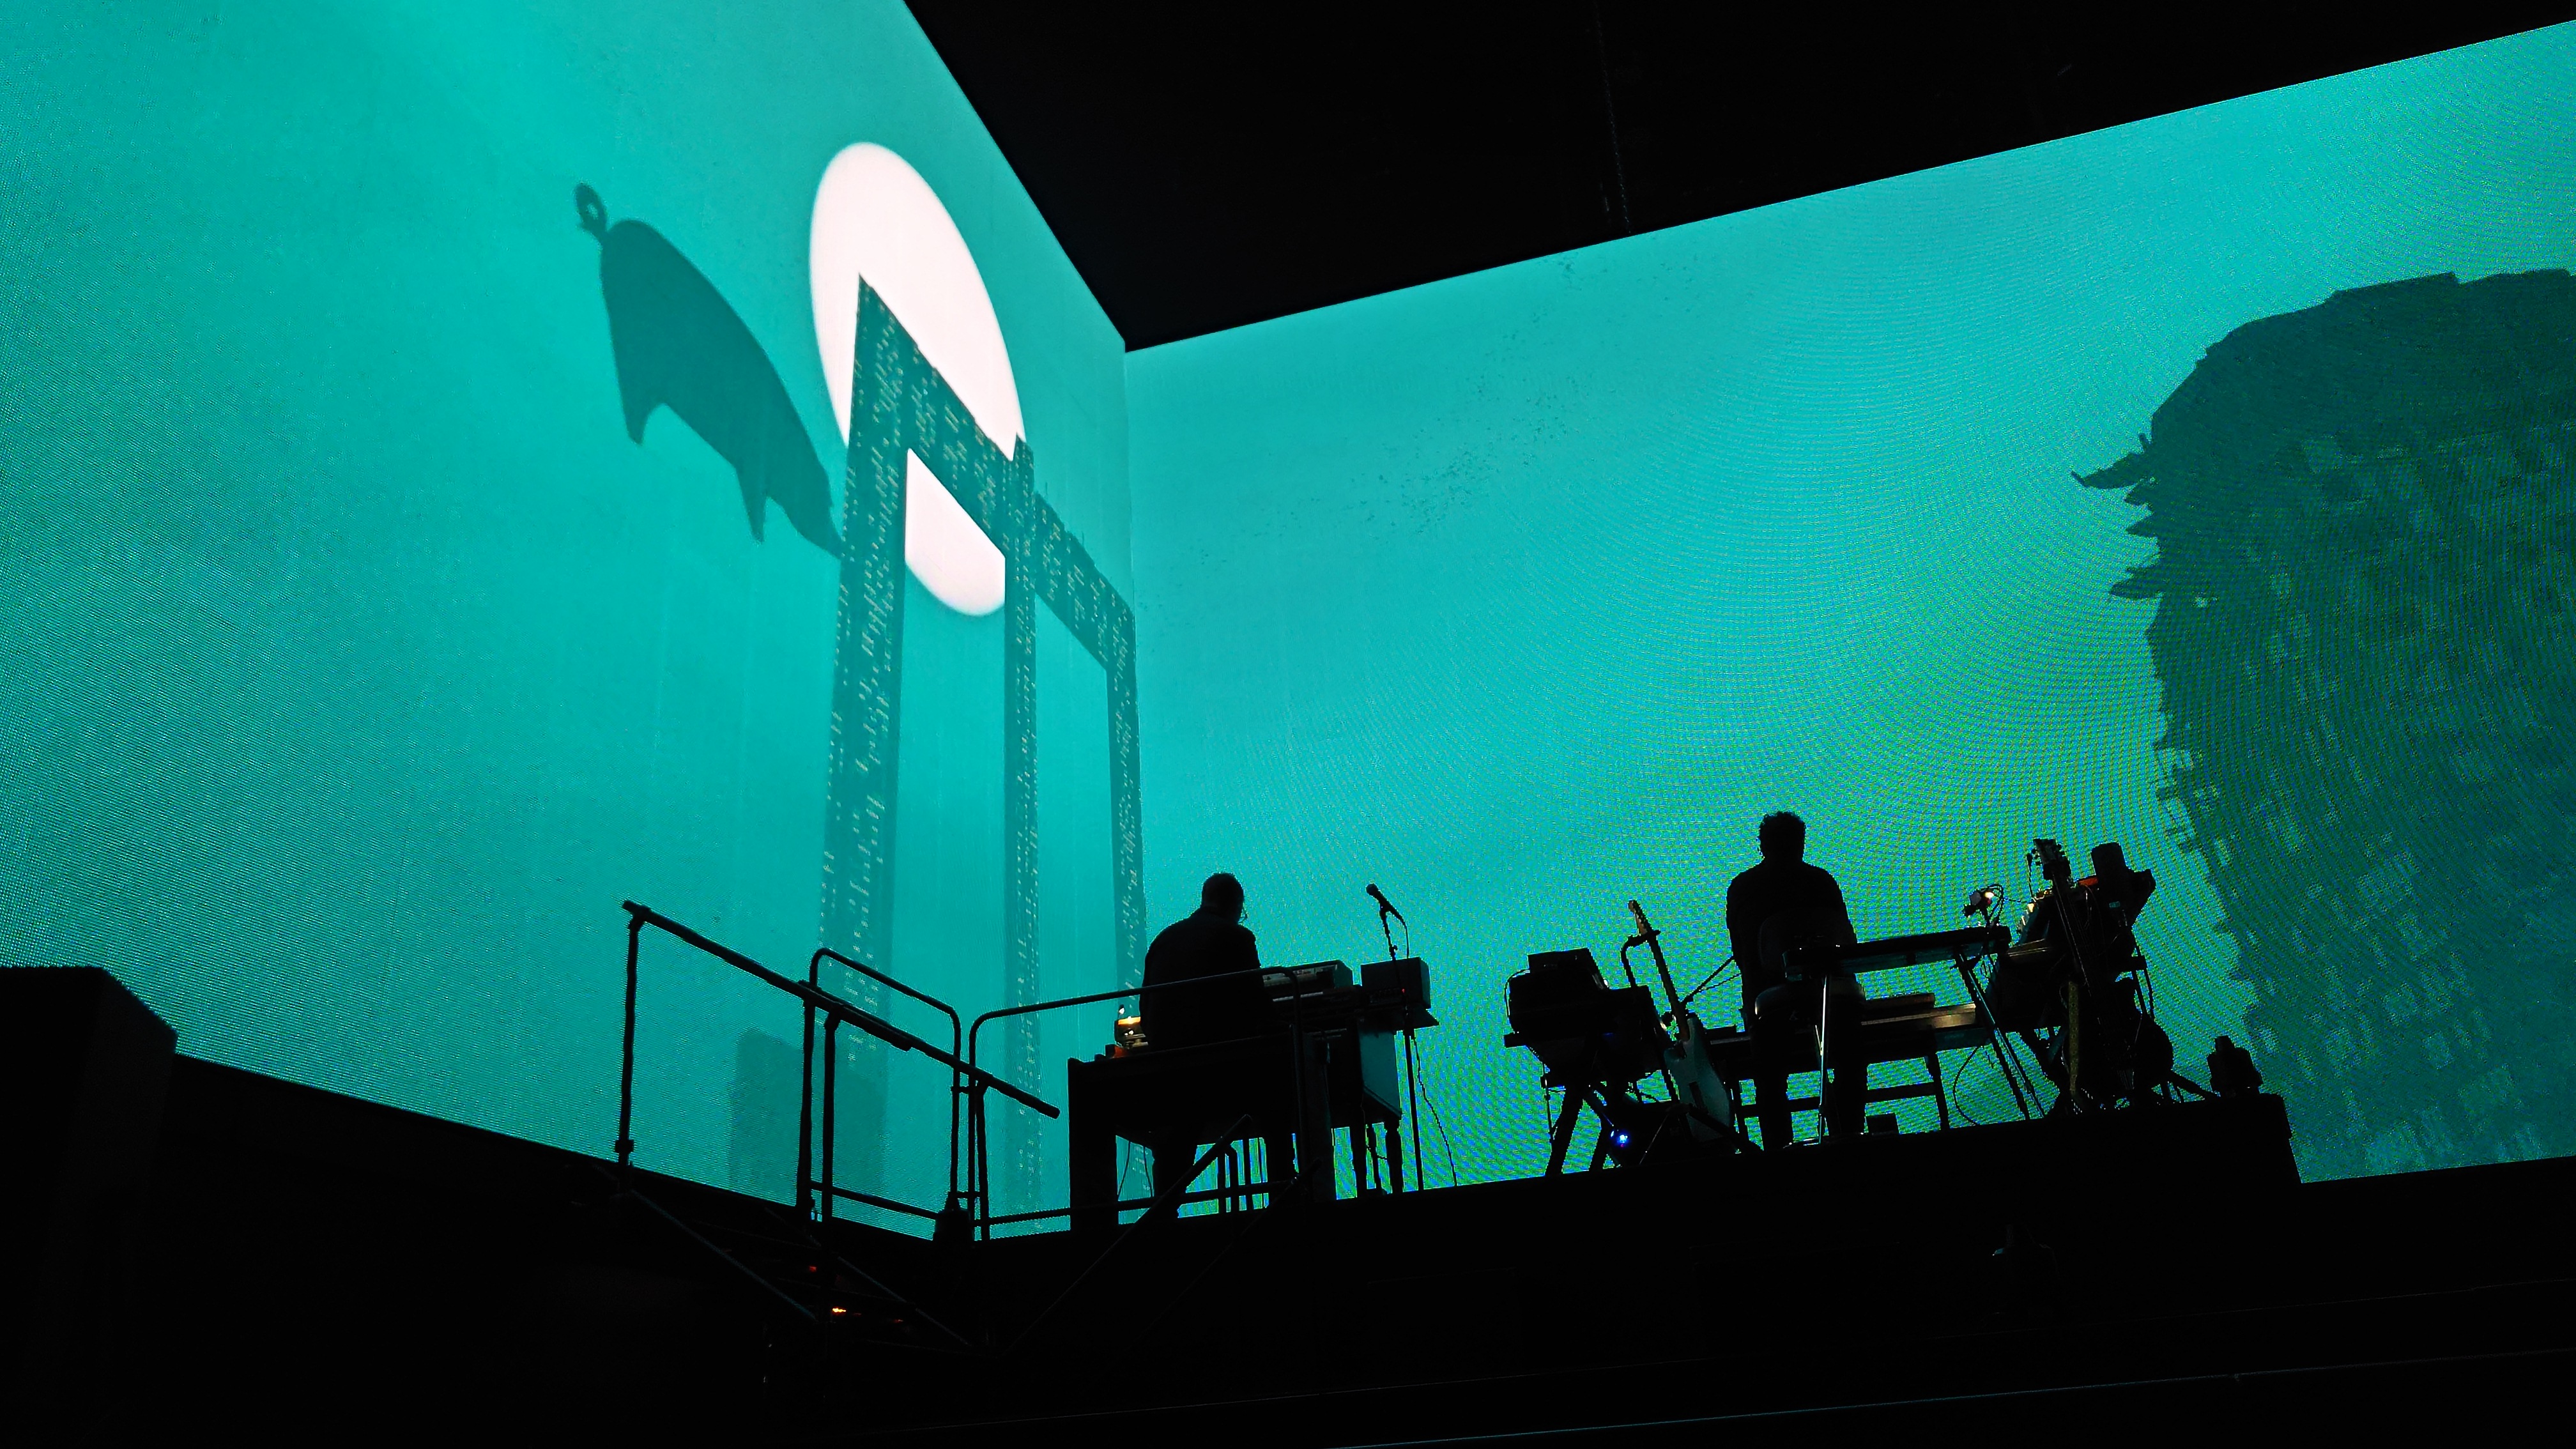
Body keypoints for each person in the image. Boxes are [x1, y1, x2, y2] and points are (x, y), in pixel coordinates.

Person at [1137, 873, 1282, 1197]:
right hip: (1219, 1072)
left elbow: (1147, 1008)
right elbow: (1256, 1005)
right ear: (1236, 906)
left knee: (1179, 1133)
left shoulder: (1163, 940)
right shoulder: (1237, 937)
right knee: (1283, 1088)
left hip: (1170, 1073)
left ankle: (1166, 1206)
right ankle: (1283, 1188)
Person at [1724, 812, 1862, 1146]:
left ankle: (1778, 1150)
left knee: (1769, 1078)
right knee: (1851, 1060)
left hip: (1769, 1005)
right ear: (1801, 844)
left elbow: (1744, 956)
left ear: (1762, 846)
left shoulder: (1743, 888)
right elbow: (1847, 946)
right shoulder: (1821, 882)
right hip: (1831, 998)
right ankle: (1849, 1136)